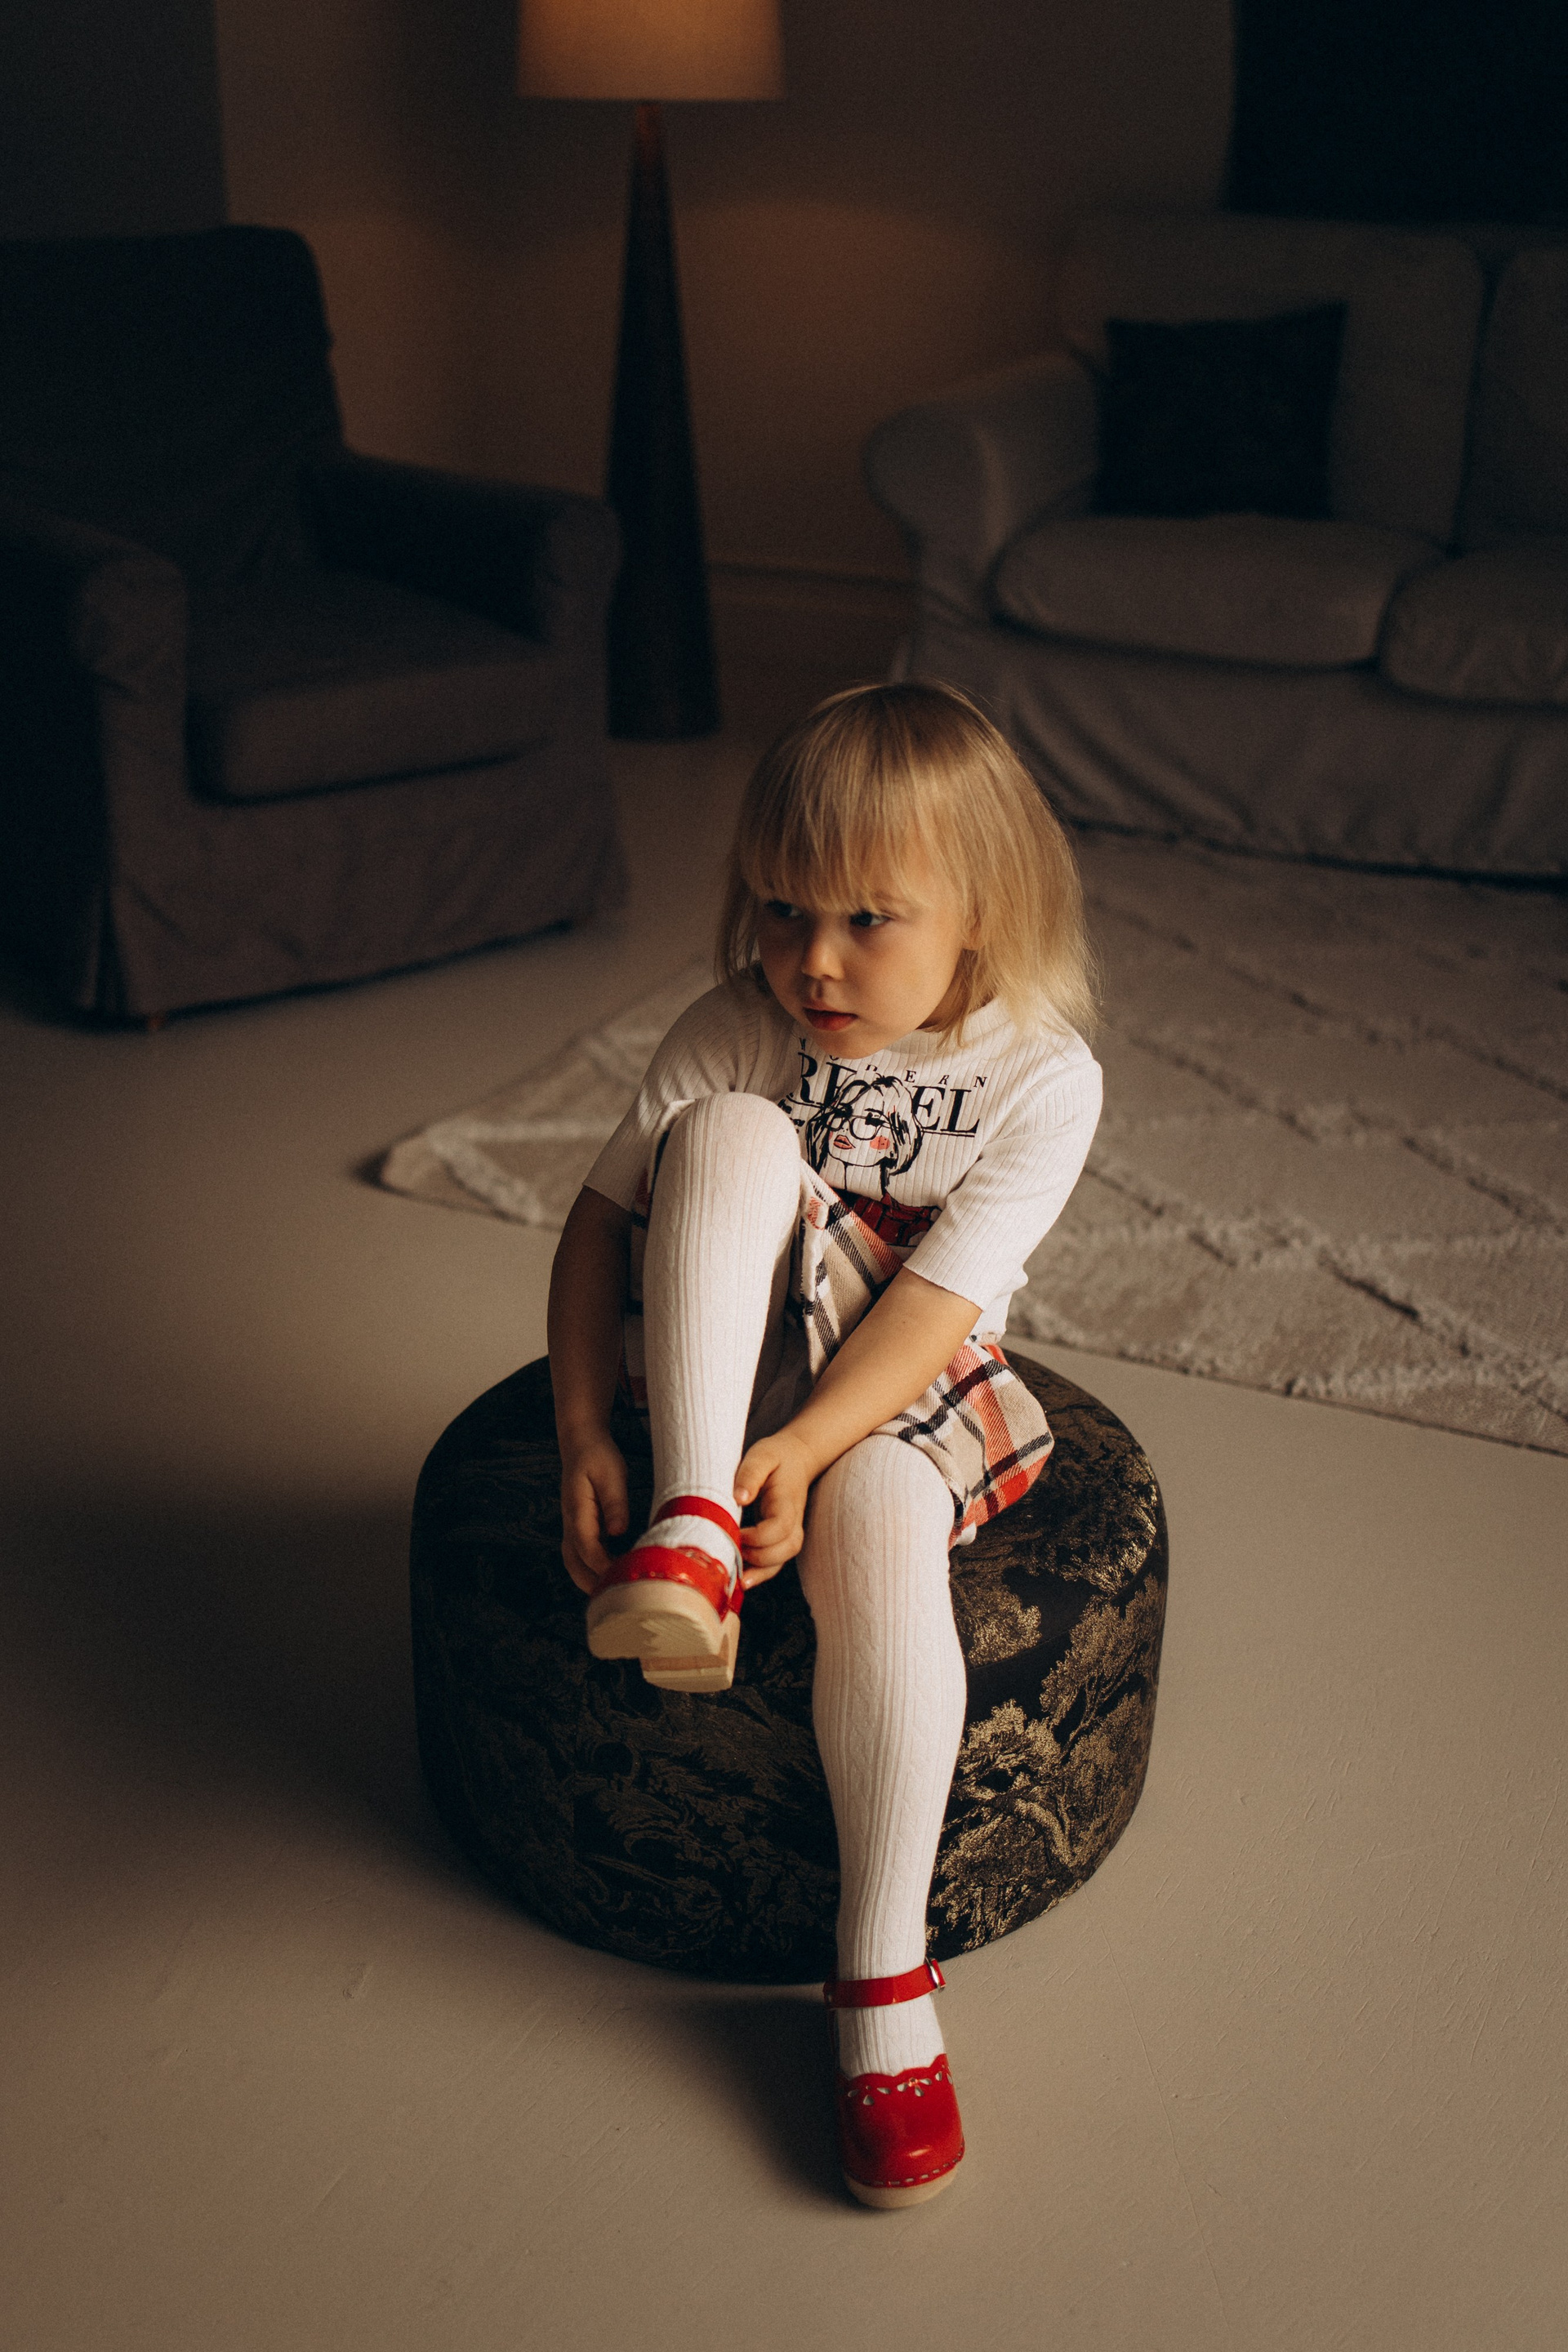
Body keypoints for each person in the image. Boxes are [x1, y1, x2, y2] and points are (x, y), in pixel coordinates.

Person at [546, 681, 1102, 2208]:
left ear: (983, 910)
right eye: (784, 909)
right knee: (727, 1132)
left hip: (900, 1381)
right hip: (721, 1358)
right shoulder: (741, 1024)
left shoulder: (1042, 1076)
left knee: (875, 1523)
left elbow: (936, 1308)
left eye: (868, 919)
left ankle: (883, 1982)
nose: (813, 960)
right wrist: (587, 1423)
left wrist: (804, 1448)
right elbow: (598, 1227)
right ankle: (691, 1534)